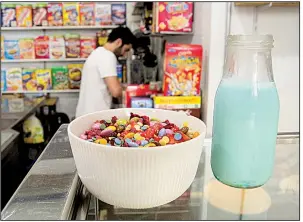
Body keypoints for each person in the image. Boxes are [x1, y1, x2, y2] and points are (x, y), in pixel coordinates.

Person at [76, 27, 136, 117]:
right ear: (119, 42)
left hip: (86, 113)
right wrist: (133, 91)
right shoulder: (108, 56)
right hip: (94, 115)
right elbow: (115, 91)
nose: (124, 54)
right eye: (126, 49)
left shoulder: (98, 52)